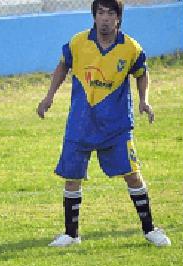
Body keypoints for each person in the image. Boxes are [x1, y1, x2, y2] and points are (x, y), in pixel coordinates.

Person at [36, 0, 171, 247]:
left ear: (118, 18)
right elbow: (63, 66)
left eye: (110, 13)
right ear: (94, 16)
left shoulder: (130, 48)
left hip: (115, 125)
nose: (105, 18)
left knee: (132, 175)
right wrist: (49, 96)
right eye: (100, 12)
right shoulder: (78, 42)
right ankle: (71, 234)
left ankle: (150, 229)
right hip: (81, 122)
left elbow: (142, 74)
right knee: (72, 177)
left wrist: (144, 101)